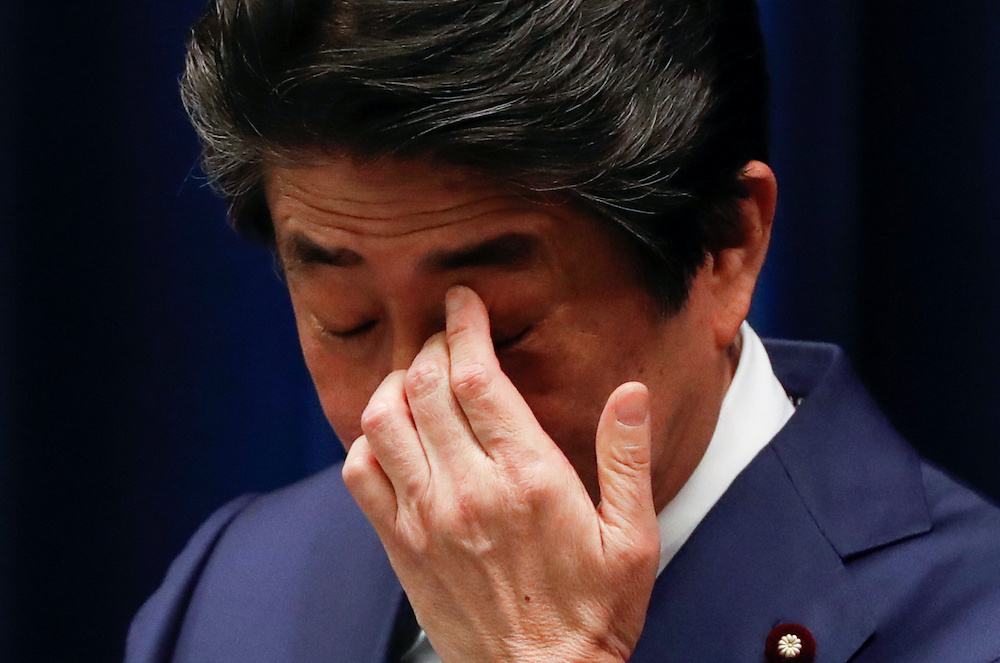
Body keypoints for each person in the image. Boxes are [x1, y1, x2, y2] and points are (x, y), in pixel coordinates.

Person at [125, 0, 1000, 661]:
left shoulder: (970, 620)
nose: (405, 410)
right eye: (345, 321)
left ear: (724, 248)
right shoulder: (231, 592)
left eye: (498, 333)